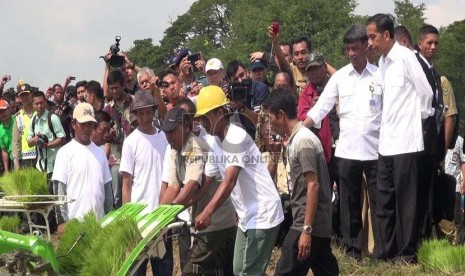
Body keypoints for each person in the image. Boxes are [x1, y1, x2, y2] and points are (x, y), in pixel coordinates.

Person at [303, 24, 382, 260]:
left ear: (366, 47)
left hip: (377, 151)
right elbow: (320, 108)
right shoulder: (339, 77)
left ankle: (381, 250)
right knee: (349, 203)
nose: (351, 54)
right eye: (347, 49)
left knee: (380, 203)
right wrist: (300, 129)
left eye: (355, 48)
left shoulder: (380, 75)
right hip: (347, 151)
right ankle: (352, 249)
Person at [194, 85, 284, 275]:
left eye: (205, 117)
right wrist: (181, 206)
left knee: (248, 272)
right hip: (245, 215)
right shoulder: (215, 142)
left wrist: (208, 211)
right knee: (239, 270)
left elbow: (230, 180)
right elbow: (206, 182)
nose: (202, 123)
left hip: (263, 213)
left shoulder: (236, 137)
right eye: (200, 118)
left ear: (220, 112)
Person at [366, 13, 434, 261]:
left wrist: (417, 122)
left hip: (406, 140)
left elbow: (426, 94)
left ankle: (407, 254)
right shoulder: (382, 63)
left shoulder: (407, 57)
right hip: (386, 142)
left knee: (407, 201)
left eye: (372, 37)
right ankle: (385, 252)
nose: (369, 43)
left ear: (386, 35)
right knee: (384, 199)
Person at [265, 90, 338, 275]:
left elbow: (313, 185)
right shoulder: (297, 139)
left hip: (306, 223)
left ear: (281, 115)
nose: (270, 125)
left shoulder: (303, 141)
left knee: (284, 271)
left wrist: (306, 229)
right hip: (315, 223)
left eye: (270, 117)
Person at [161, 106, 236, 275]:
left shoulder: (195, 147)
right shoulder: (175, 148)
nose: (169, 136)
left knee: (190, 271)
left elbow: (191, 184)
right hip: (203, 220)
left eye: (173, 131)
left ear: (186, 126)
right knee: (217, 270)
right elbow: (173, 186)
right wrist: (160, 216)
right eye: (166, 132)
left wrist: (169, 212)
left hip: (217, 220)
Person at [119, 90, 172, 276]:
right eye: (140, 113)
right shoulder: (131, 142)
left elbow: (169, 177)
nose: (144, 117)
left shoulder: (164, 138)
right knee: (136, 269)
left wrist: (166, 213)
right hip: (139, 217)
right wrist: (127, 219)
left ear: (154, 111)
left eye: (148, 112)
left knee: (163, 267)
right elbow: (126, 183)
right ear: (135, 114)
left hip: (160, 214)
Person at [52, 103, 113, 236]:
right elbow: (59, 190)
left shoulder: (100, 153)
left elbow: (107, 188)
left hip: (100, 223)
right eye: (83, 124)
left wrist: (110, 217)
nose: (87, 128)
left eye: (90, 124)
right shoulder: (64, 152)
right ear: (73, 124)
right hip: (74, 225)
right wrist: (61, 222)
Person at [415, 24, 446, 240]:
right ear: (420, 44)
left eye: (436, 43)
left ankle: (425, 239)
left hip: (432, 142)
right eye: (429, 43)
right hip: (419, 140)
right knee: (418, 194)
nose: (433, 47)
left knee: (428, 193)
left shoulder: (433, 70)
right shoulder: (417, 67)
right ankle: (417, 239)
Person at [103, 70, 134, 208]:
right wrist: (108, 135)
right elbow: (103, 134)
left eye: (116, 87)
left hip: (134, 151)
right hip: (116, 156)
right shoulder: (108, 109)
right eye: (111, 88)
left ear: (122, 86)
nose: (114, 91)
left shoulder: (134, 102)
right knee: (116, 193)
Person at [297, 52, 334, 163]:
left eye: (316, 68)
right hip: (321, 148)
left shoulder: (335, 85)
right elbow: (301, 116)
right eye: (310, 70)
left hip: (342, 145)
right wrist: (313, 109)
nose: (314, 73)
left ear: (324, 67)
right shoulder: (306, 92)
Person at [27, 91, 66, 177]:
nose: (39, 106)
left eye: (41, 103)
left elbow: (62, 138)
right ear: (33, 105)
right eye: (36, 104)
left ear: (45, 102)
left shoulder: (53, 118)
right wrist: (34, 139)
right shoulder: (33, 121)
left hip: (54, 165)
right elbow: (29, 143)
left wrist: (48, 145)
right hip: (40, 166)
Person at [445, 136, 465, 244]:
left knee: (458, 217)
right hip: (442, 184)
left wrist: (464, 181)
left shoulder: (460, 140)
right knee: (443, 217)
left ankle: (460, 244)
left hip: (456, 185)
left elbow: (463, 162)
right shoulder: (439, 135)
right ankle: (446, 242)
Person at [12, 84, 37, 169]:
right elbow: (16, 142)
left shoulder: (39, 112)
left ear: (31, 94)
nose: (25, 97)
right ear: (19, 98)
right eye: (22, 95)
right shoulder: (18, 117)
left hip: (43, 154)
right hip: (27, 159)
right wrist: (16, 163)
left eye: (26, 94)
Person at [0, 99, 15, 173]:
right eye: (0, 112)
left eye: (3, 111)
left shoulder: (18, 120)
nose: (2, 114)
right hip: (12, 161)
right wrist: (6, 170)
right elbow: (4, 150)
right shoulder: (0, 129)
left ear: (9, 110)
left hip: (24, 158)